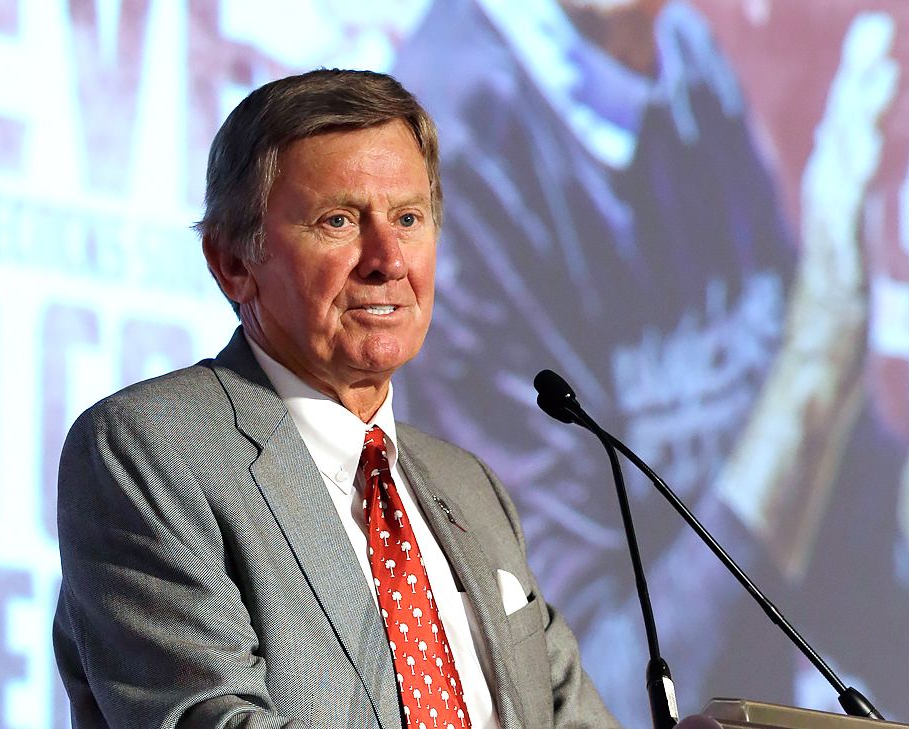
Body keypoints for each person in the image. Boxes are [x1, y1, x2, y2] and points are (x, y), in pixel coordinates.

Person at [391, 1, 909, 726]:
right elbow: (588, 701)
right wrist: (817, 355)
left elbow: (903, 652)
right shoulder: (459, 153)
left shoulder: (680, 62)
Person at [51, 69, 620, 728]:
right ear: (234, 263)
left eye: (408, 218)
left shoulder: (471, 489)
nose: (388, 259)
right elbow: (210, 717)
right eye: (340, 220)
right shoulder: (150, 451)